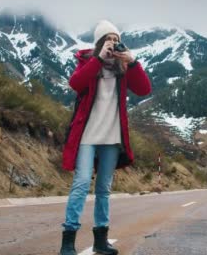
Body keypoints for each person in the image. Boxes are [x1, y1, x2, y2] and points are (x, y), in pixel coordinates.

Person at [59, 20, 152, 255]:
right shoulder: (88, 62)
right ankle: (68, 242)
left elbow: (144, 90)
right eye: (108, 38)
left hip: (112, 138)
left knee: (104, 189)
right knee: (81, 184)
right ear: (100, 42)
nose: (113, 42)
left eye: (116, 38)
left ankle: (101, 240)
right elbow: (75, 83)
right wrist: (98, 58)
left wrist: (133, 63)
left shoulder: (123, 68)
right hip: (87, 136)